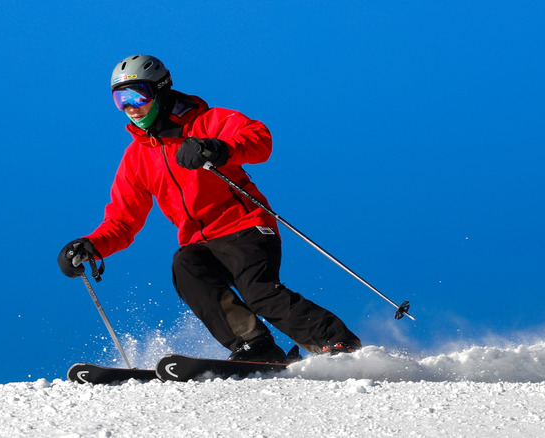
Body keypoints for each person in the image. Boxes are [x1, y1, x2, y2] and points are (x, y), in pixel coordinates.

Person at [58, 54, 360, 363]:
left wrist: (219, 149)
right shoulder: (136, 158)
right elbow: (123, 219)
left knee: (260, 294)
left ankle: (336, 342)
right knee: (186, 268)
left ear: (160, 92)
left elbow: (259, 138)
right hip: (199, 242)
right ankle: (254, 346)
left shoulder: (209, 122)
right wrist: (92, 246)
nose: (130, 107)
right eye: (120, 99)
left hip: (245, 227)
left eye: (138, 96)